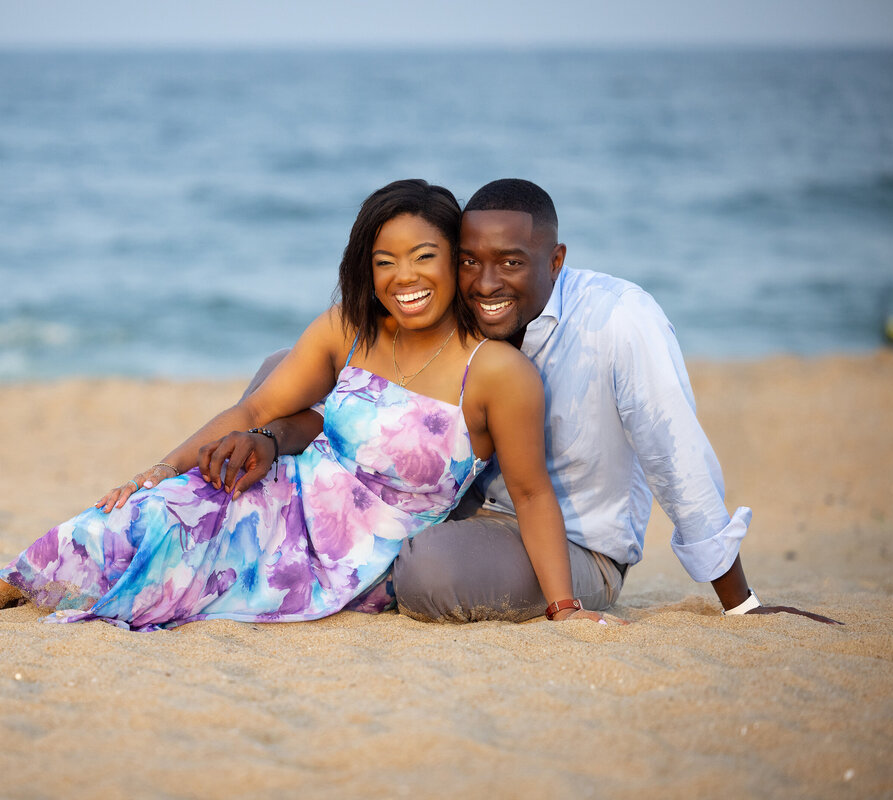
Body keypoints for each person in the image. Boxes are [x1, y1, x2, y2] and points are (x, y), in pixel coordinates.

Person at [0, 179, 610, 628]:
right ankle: (1, 582)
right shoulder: (348, 328)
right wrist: (157, 467)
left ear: (454, 261)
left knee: (180, 542)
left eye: (424, 257)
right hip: (289, 494)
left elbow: (535, 494)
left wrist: (564, 610)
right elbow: (251, 413)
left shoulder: (497, 374)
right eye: (383, 261)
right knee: (175, 502)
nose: (403, 277)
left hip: (356, 559)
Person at [208, 179, 840, 625]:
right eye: (470, 262)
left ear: (555, 260)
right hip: (444, 509)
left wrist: (742, 604)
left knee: (430, 575)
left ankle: (311, 554)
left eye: (512, 263)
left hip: (569, 546)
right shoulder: (459, 312)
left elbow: (677, 457)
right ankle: (233, 510)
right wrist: (264, 435)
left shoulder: (620, 321)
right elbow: (373, 404)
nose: (487, 283)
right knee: (279, 372)